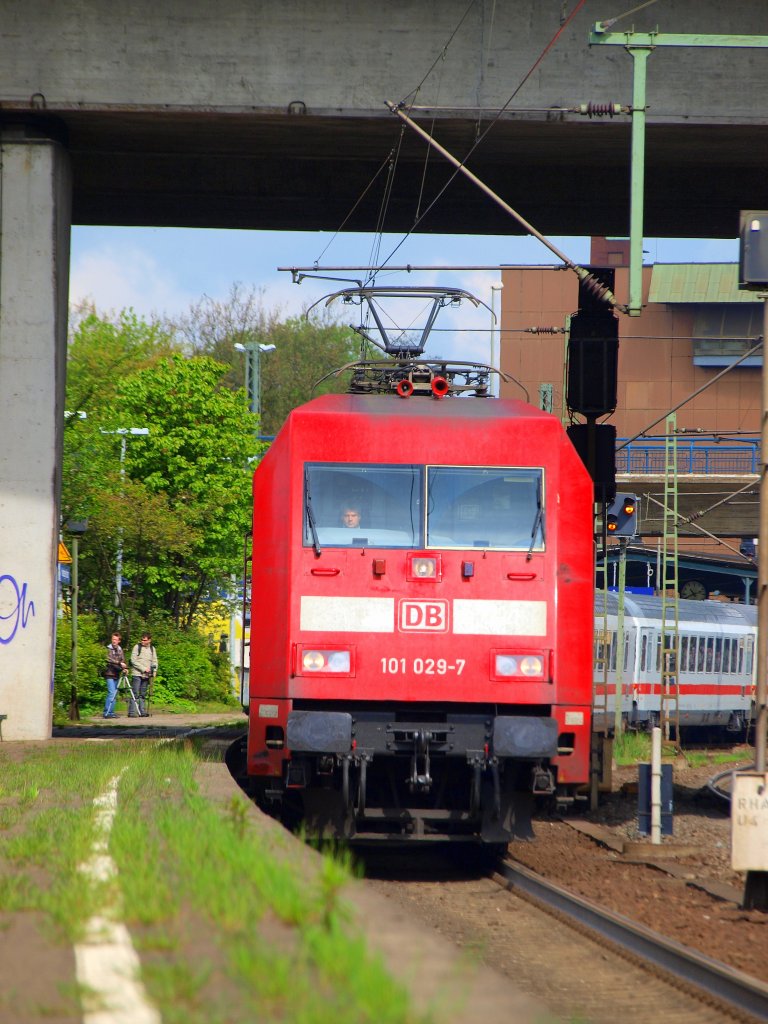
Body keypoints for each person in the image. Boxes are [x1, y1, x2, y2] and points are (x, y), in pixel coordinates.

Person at [129, 632, 158, 717]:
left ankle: (142, 712)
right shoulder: (137, 647)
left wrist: (154, 671)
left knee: (143, 694)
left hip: (146, 676)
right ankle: (132, 712)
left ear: (149, 640)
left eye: (144, 640)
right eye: (142, 639)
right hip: (137, 674)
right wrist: (143, 669)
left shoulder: (152, 649)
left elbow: (155, 661)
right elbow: (133, 661)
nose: (142, 641)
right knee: (135, 693)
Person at [103, 632, 127, 719]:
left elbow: (123, 660)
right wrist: (119, 663)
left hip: (117, 674)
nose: (114, 641)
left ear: (119, 641)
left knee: (114, 694)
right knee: (111, 693)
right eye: (113, 639)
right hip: (109, 673)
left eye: (116, 640)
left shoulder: (120, 650)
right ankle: (107, 712)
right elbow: (108, 659)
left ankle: (111, 712)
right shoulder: (108, 649)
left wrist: (125, 667)